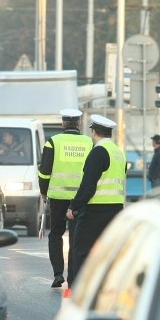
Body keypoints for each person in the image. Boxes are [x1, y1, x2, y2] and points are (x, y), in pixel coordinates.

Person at [66, 114, 126, 287]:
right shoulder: (118, 152)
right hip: (116, 210)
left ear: (94, 132)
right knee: (108, 252)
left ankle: (79, 288)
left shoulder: (98, 152)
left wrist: (73, 206)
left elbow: (88, 185)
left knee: (81, 251)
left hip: (95, 211)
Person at [38, 109, 92, 288]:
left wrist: (44, 191)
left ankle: (58, 273)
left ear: (63, 124)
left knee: (56, 234)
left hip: (58, 197)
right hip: (80, 198)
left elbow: (44, 172)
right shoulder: (89, 143)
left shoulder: (53, 142)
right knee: (76, 237)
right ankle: (73, 276)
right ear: (78, 123)